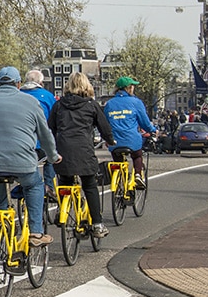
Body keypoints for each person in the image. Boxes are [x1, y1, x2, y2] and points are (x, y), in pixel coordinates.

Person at [0, 66, 60, 247]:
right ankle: (36, 232)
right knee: (35, 185)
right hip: (21, 161)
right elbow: (45, 134)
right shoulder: (30, 101)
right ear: (18, 84)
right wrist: (53, 156)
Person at [48, 72, 114, 238]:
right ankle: (98, 225)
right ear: (86, 86)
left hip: (63, 151)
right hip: (84, 151)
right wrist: (110, 140)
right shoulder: (91, 106)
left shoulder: (59, 105)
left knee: (65, 182)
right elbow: (104, 128)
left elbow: (51, 128)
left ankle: (60, 212)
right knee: (90, 185)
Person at [104, 76, 158, 190]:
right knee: (137, 155)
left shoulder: (109, 104)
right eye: (132, 86)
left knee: (117, 160)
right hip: (132, 140)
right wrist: (153, 131)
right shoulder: (136, 102)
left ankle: (119, 182)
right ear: (128, 88)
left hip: (115, 141)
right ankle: (138, 174)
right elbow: (144, 122)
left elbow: (105, 123)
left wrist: (107, 138)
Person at [20, 69, 58, 194]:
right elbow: (54, 118)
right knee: (51, 157)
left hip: (21, 143)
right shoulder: (47, 96)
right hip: (40, 144)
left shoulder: (18, 94)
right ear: (41, 82)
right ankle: (48, 186)